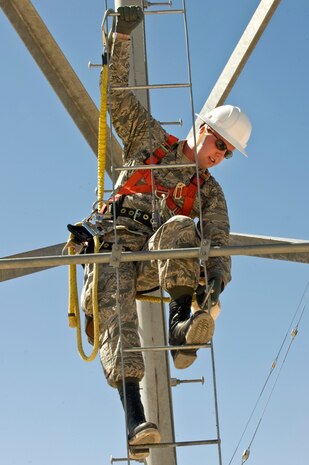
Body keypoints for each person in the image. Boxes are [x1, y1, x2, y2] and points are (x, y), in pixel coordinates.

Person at [77, 5, 252, 460]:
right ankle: (135, 417)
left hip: (158, 264)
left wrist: (211, 291)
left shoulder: (208, 193)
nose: (219, 156)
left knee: (178, 227)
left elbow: (219, 246)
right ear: (202, 128)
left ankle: (179, 325)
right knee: (112, 282)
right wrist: (124, 39)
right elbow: (116, 97)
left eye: (228, 154)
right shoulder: (150, 140)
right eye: (219, 144)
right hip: (115, 239)